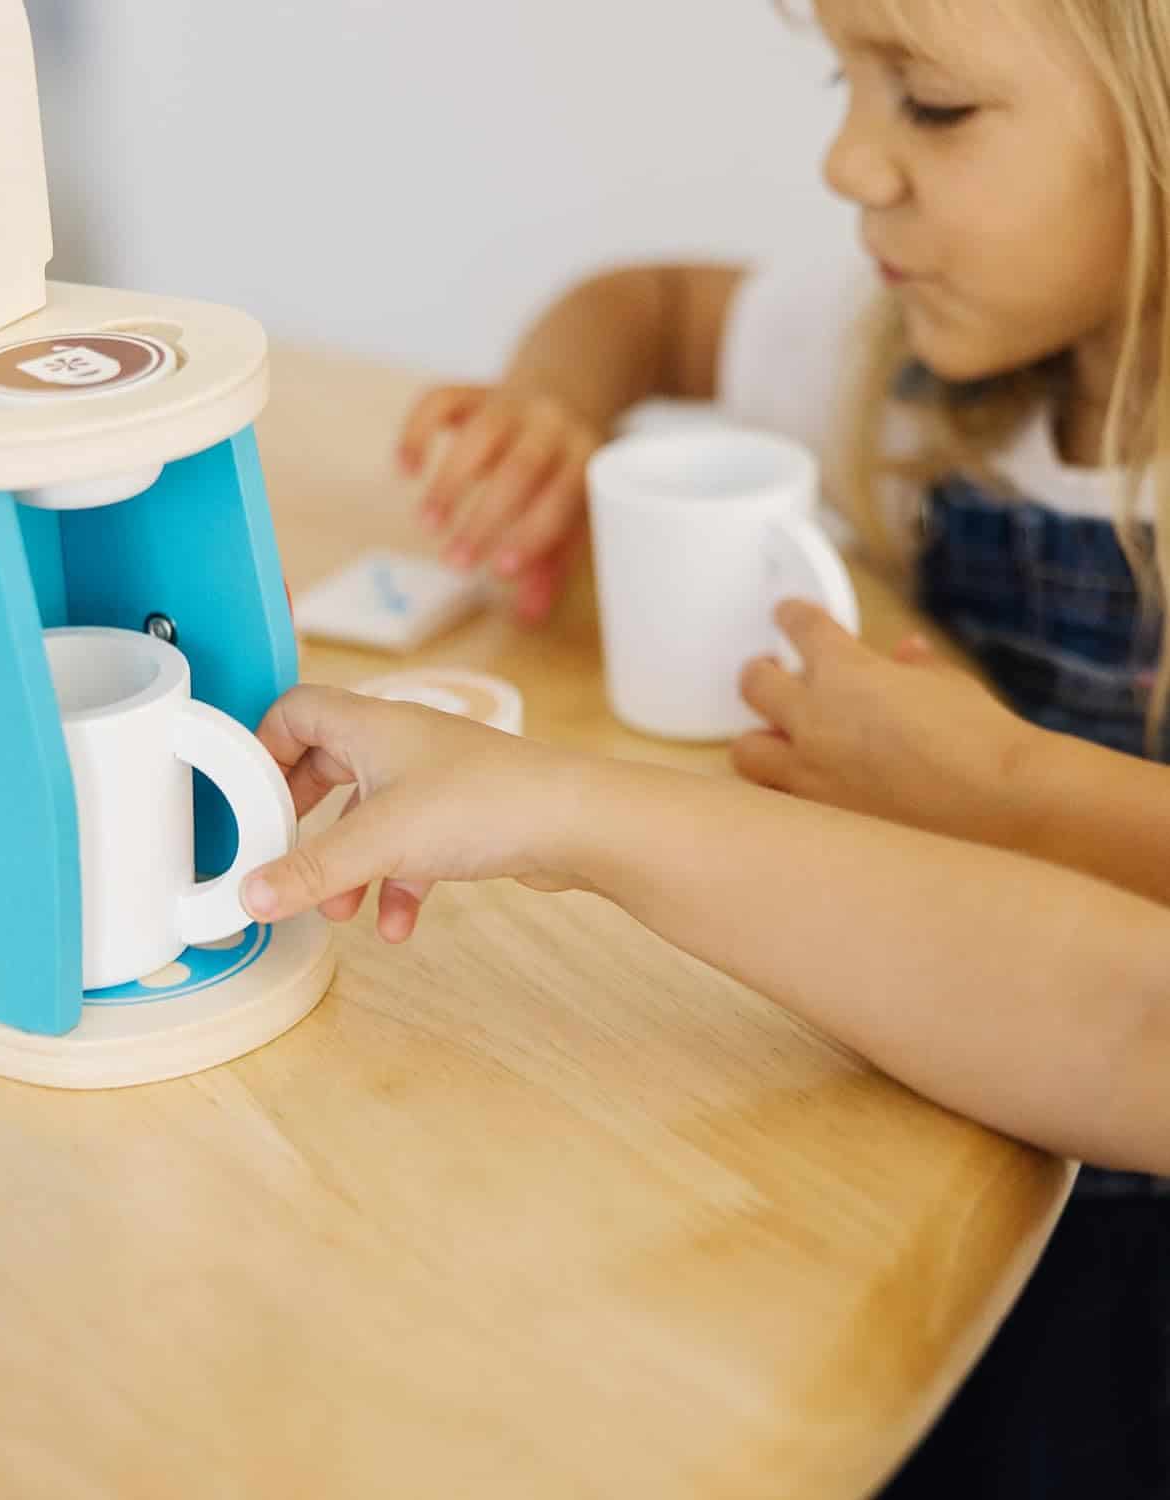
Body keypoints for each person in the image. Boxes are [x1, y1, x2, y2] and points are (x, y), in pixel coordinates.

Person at [249, 1, 1170, 1492]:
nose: (848, 163)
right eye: (843, 82)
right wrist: (550, 410)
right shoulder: (916, 362)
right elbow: (652, 305)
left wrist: (999, 786)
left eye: (931, 106)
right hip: (910, 1111)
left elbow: (1125, 1022)